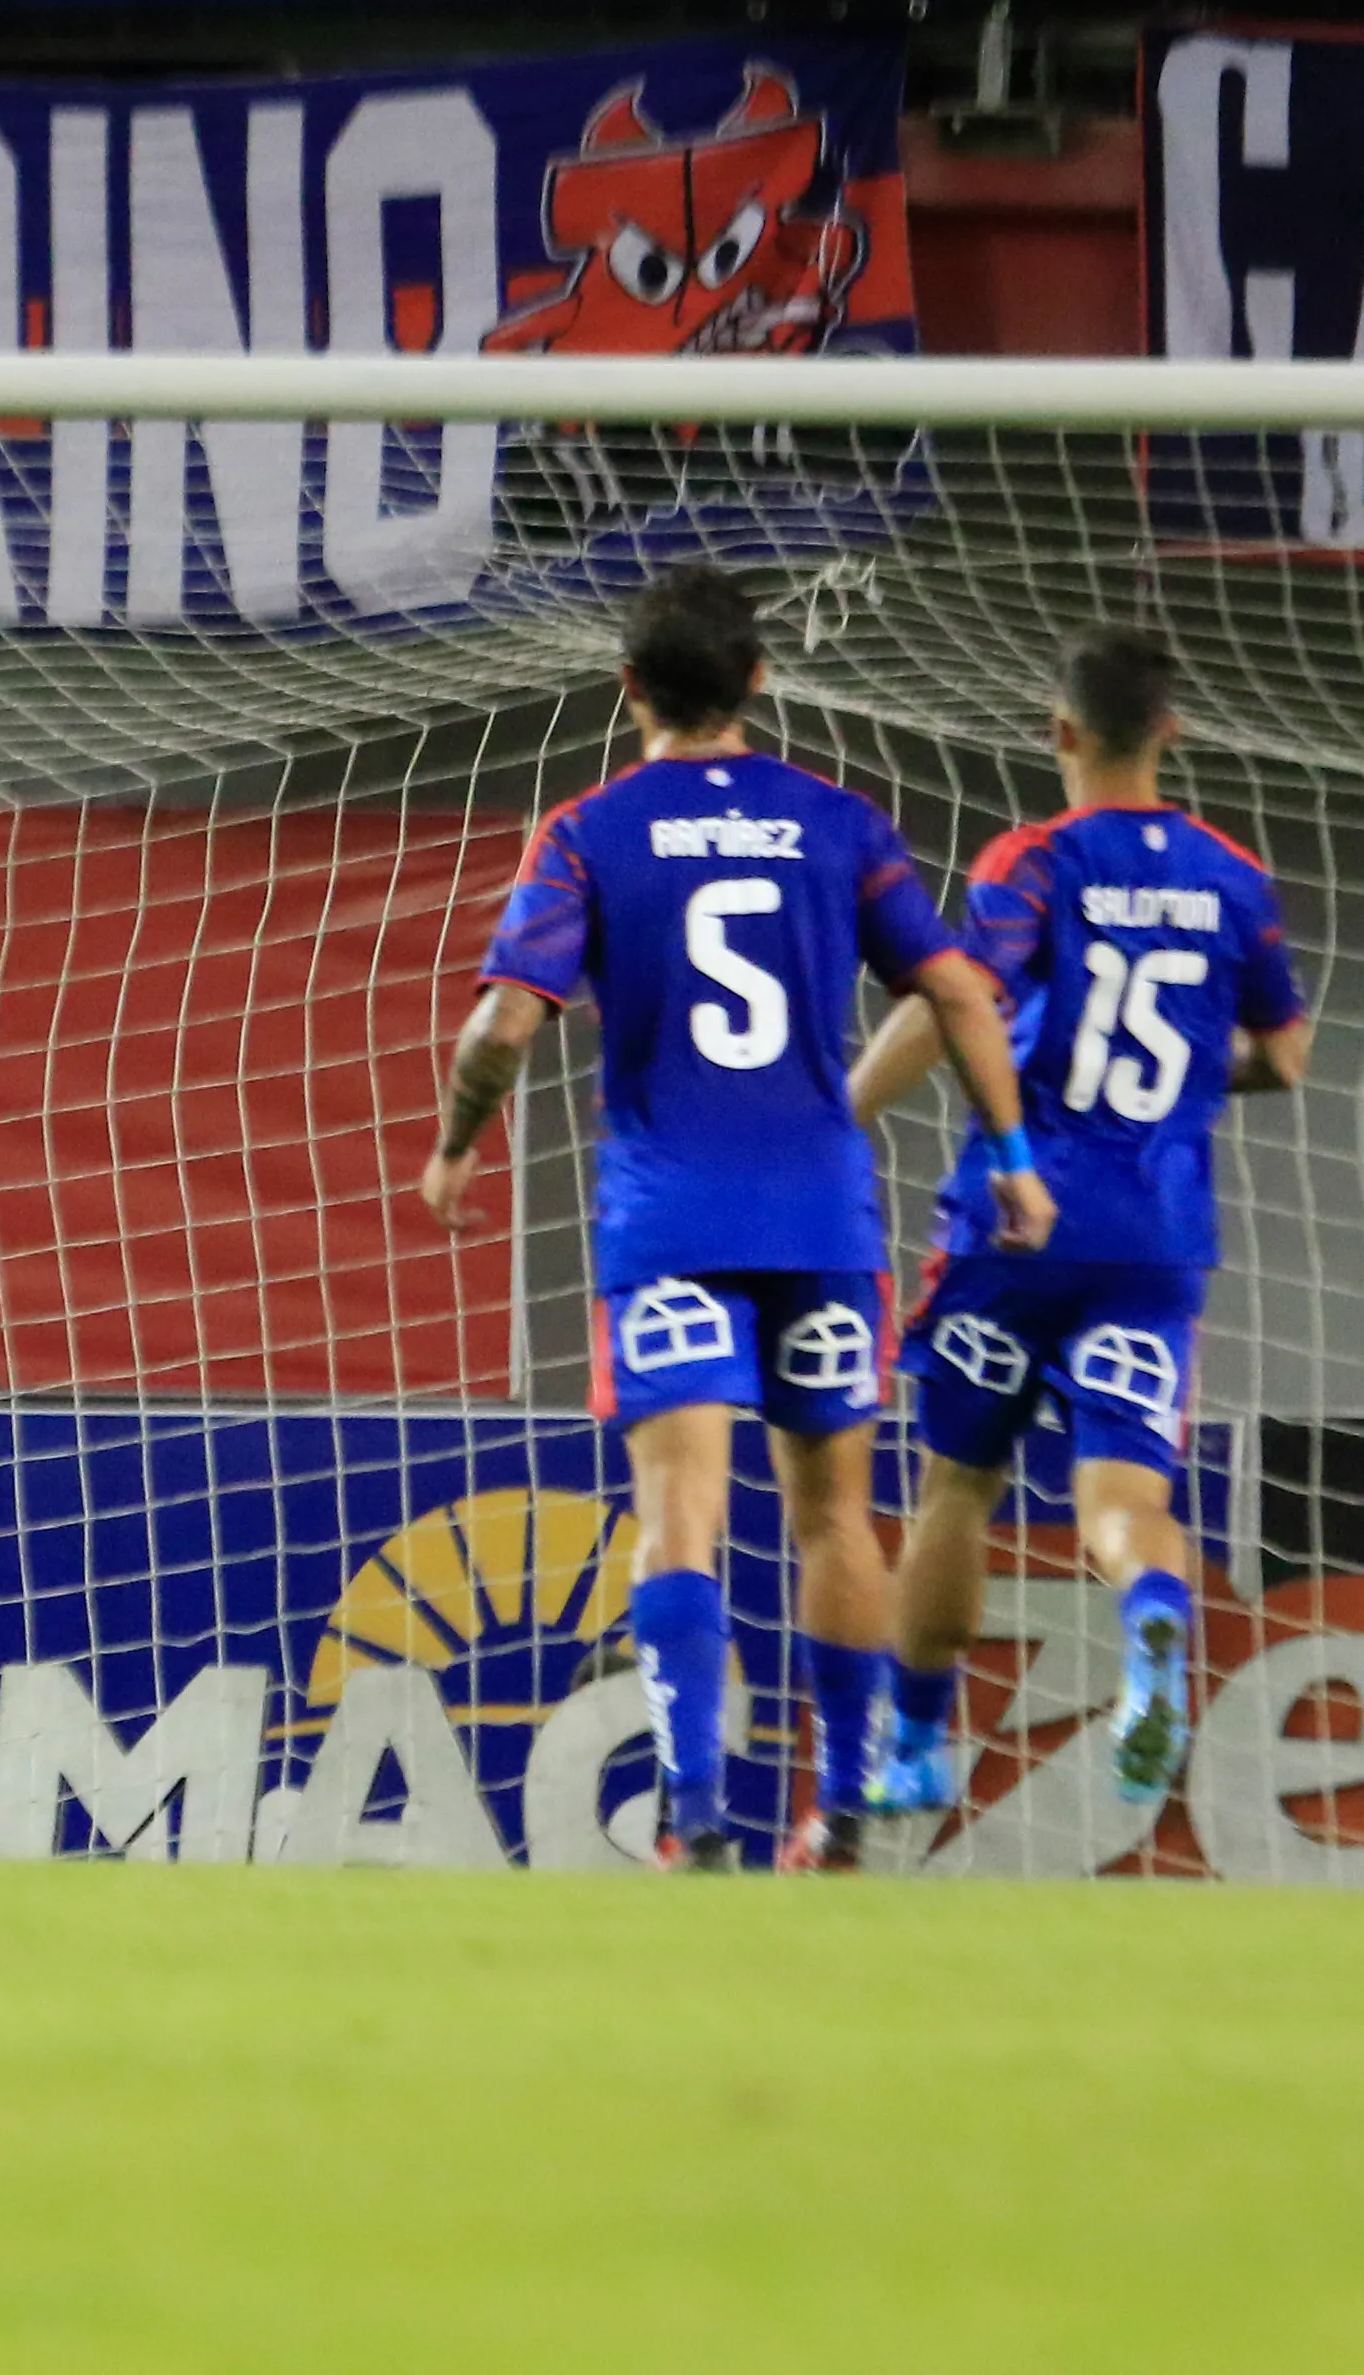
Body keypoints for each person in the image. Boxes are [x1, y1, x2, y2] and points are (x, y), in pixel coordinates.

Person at [420, 565, 1054, 1871]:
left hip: (669, 1222)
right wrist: (1008, 1154)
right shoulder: (837, 821)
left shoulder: (586, 830)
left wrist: (453, 1143)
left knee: (678, 1515)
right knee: (834, 1516)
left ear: (627, 689)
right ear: (757, 679)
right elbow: (955, 991)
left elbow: (502, 1024)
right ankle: (843, 1806)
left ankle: (693, 1814)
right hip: (819, 1220)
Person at [853, 626, 1309, 1819]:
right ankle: (1150, 1619)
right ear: (1171, 730)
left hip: (1015, 1226)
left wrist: (842, 1108)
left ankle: (912, 1748)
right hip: (1154, 1241)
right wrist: (1187, 1079)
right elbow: (1285, 1056)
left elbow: (958, 996)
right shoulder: (1231, 874)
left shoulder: (1034, 859)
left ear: (1057, 730)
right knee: (1122, 1503)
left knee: (957, 1484)